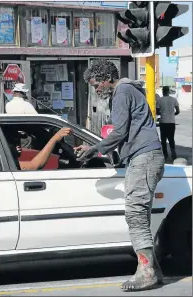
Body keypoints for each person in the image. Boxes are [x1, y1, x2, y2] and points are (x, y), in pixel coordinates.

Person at [74, 59, 165, 292]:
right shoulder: (127, 90)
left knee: (135, 213)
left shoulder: (122, 90)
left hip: (143, 158)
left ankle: (146, 272)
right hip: (144, 157)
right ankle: (153, 270)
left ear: (106, 78)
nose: (96, 90)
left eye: (96, 85)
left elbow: (120, 131)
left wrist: (94, 149)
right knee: (140, 214)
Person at [7, 127, 72, 170]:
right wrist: (55, 138)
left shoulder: (7, 161)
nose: (18, 145)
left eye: (18, 141)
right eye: (12, 142)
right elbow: (34, 166)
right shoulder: (1, 163)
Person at [156, 86, 180, 161]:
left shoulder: (159, 100)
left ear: (163, 91)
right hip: (171, 123)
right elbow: (178, 111)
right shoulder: (173, 99)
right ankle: (173, 154)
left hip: (163, 122)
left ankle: (165, 155)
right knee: (171, 139)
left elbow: (157, 111)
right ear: (168, 91)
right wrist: (173, 114)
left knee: (163, 140)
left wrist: (162, 113)